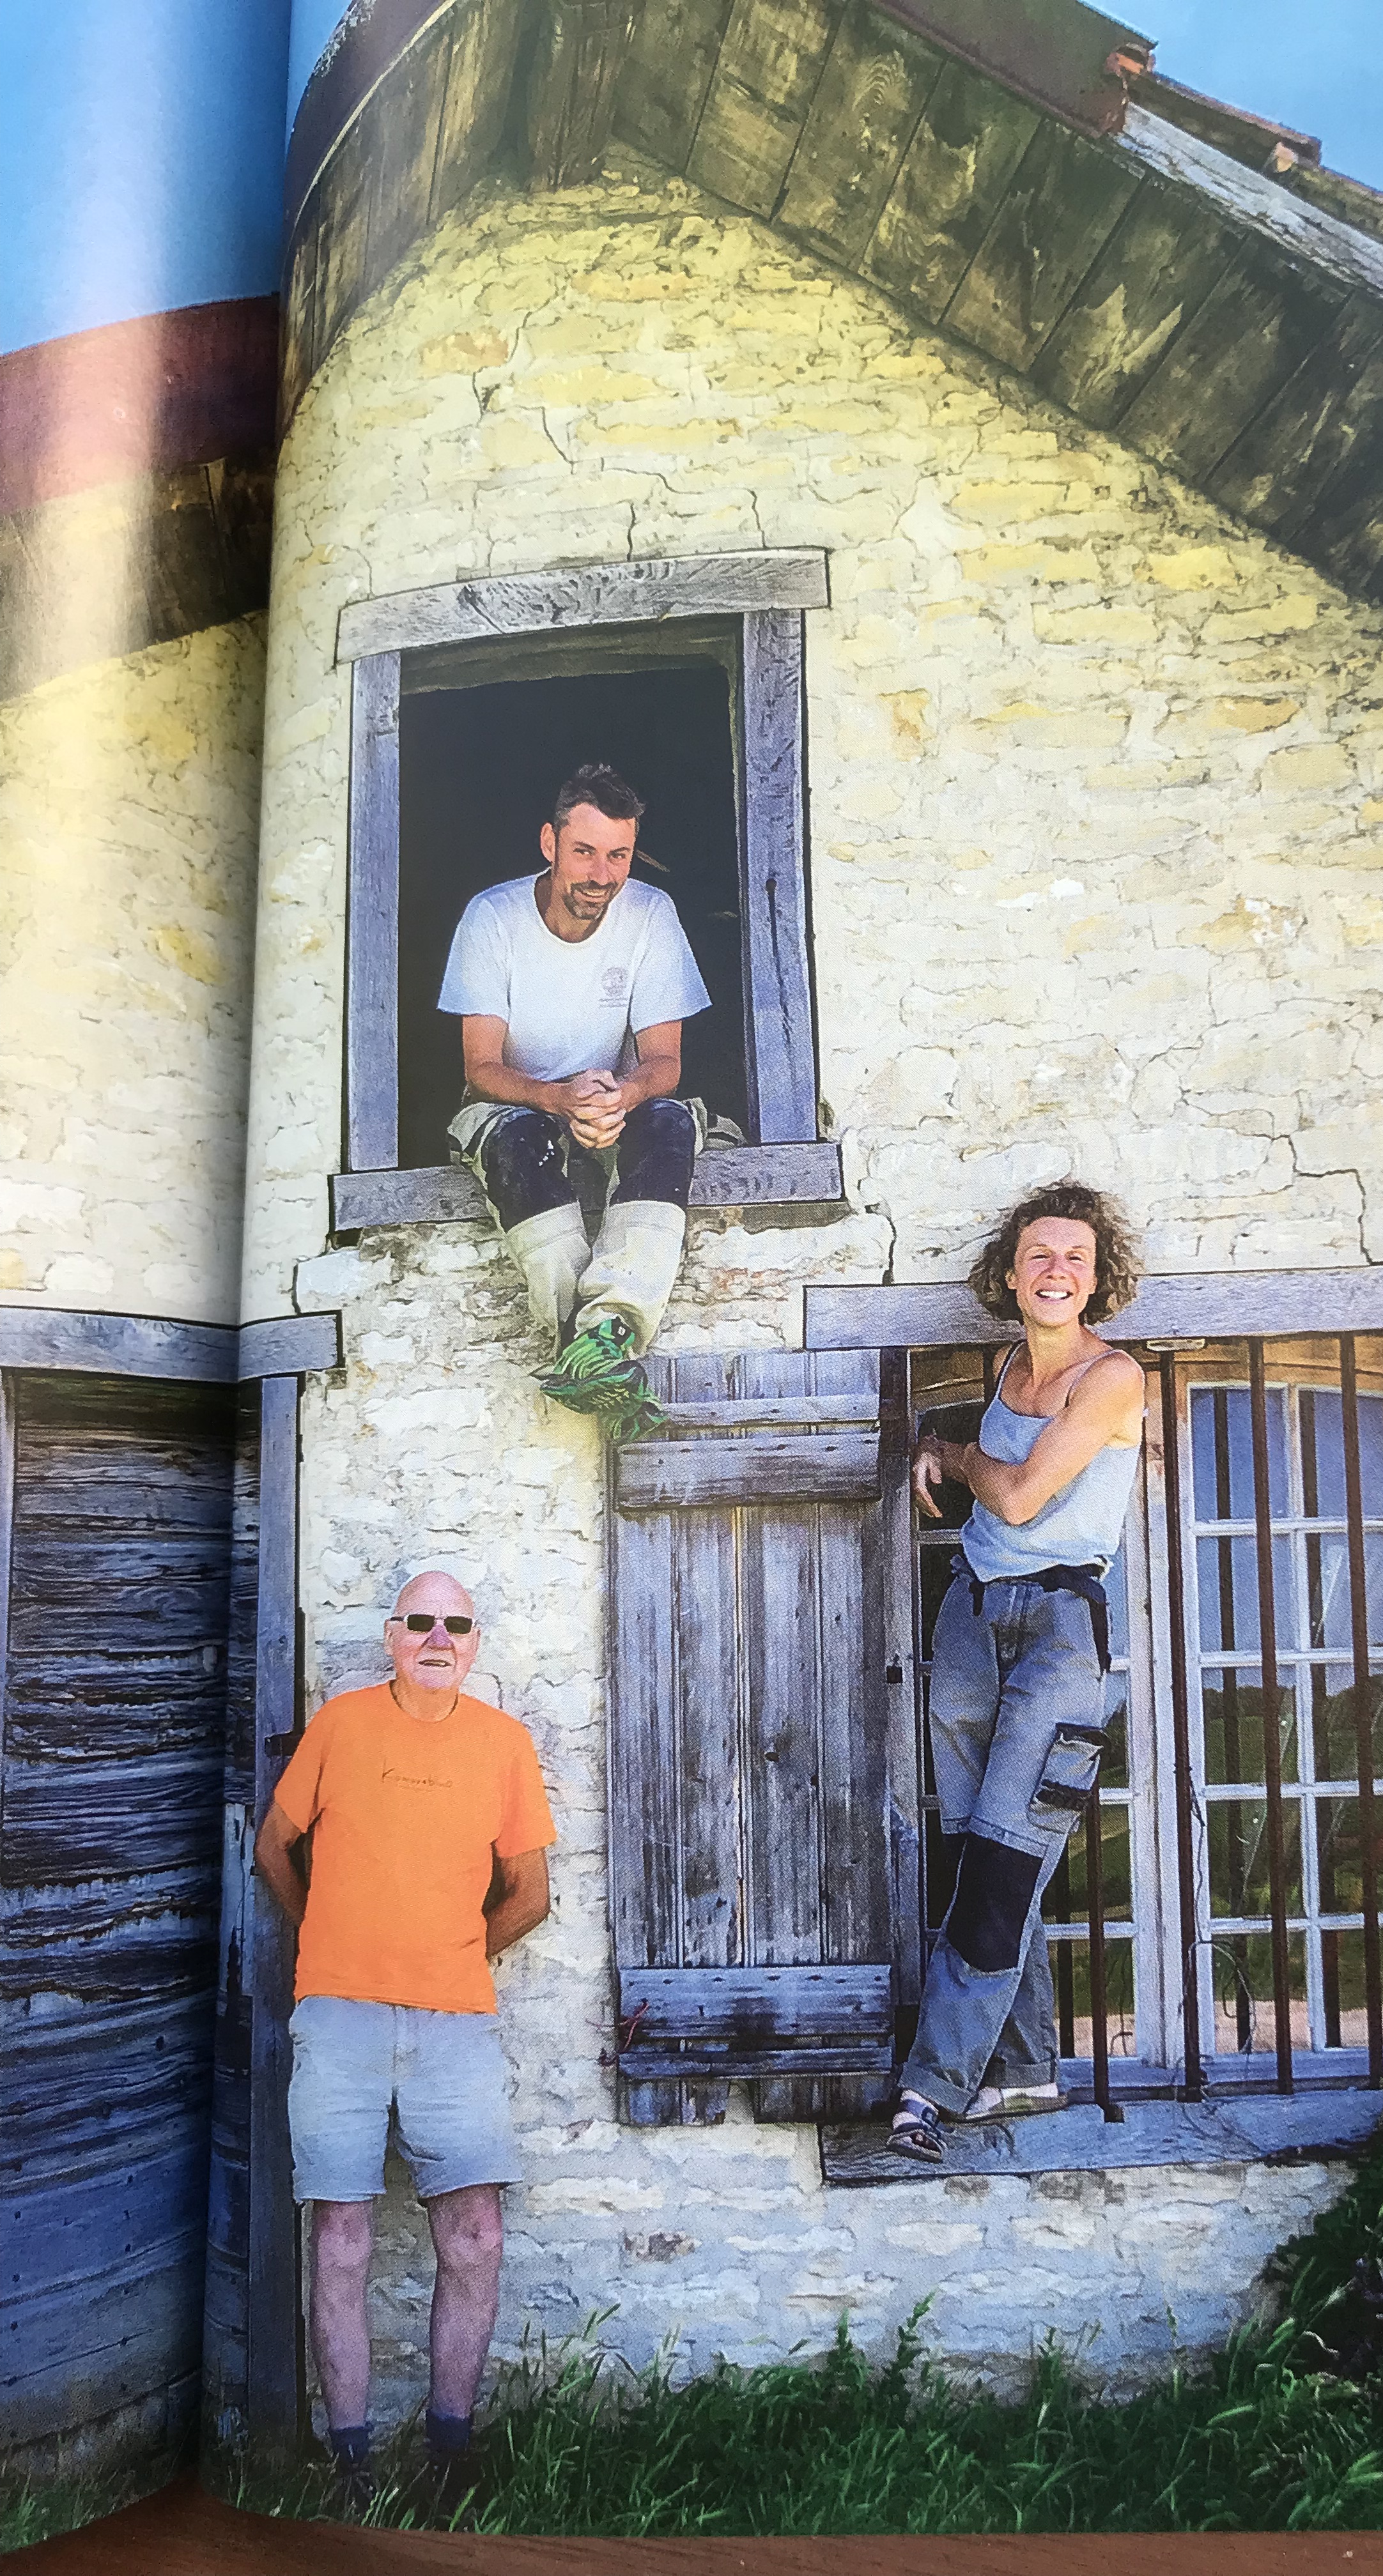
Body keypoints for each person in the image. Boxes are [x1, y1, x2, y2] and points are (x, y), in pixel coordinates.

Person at [253, 1571, 556, 2496]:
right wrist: (327, 1940)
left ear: (475, 1644)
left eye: (456, 1625)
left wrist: (451, 1954)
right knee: (341, 2236)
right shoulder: (341, 1726)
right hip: (337, 2018)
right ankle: (349, 2466)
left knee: (476, 2235)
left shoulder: (504, 1745)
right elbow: (273, 1847)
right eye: (420, 1621)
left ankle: (448, 2459)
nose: (437, 1638)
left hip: (455, 2023)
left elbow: (530, 1895)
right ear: (391, 1637)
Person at [889, 1181, 1146, 2165]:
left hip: (1060, 1629)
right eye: (1040, 1253)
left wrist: (954, 1457)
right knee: (976, 1852)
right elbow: (980, 1473)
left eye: (1076, 1257)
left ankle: (927, 2089)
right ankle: (1028, 2065)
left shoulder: (1111, 1378)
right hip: (971, 1615)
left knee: (1004, 1862)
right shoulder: (1007, 1368)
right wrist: (935, 1446)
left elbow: (1023, 1498)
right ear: (1009, 1272)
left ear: (1098, 1279)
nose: (1056, 1271)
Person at [438, 760, 714, 1441]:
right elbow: (481, 1068)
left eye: (618, 855)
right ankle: (594, 1351)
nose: (601, 874)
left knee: (669, 1123)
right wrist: (557, 1099)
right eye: (585, 851)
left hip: (607, 1099)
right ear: (549, 843)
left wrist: (622, 1096)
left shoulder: (651, 913)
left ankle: (604, 1336)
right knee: (513, 1141)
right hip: (520, 1102)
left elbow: (665, 1062)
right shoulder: (493, 917)